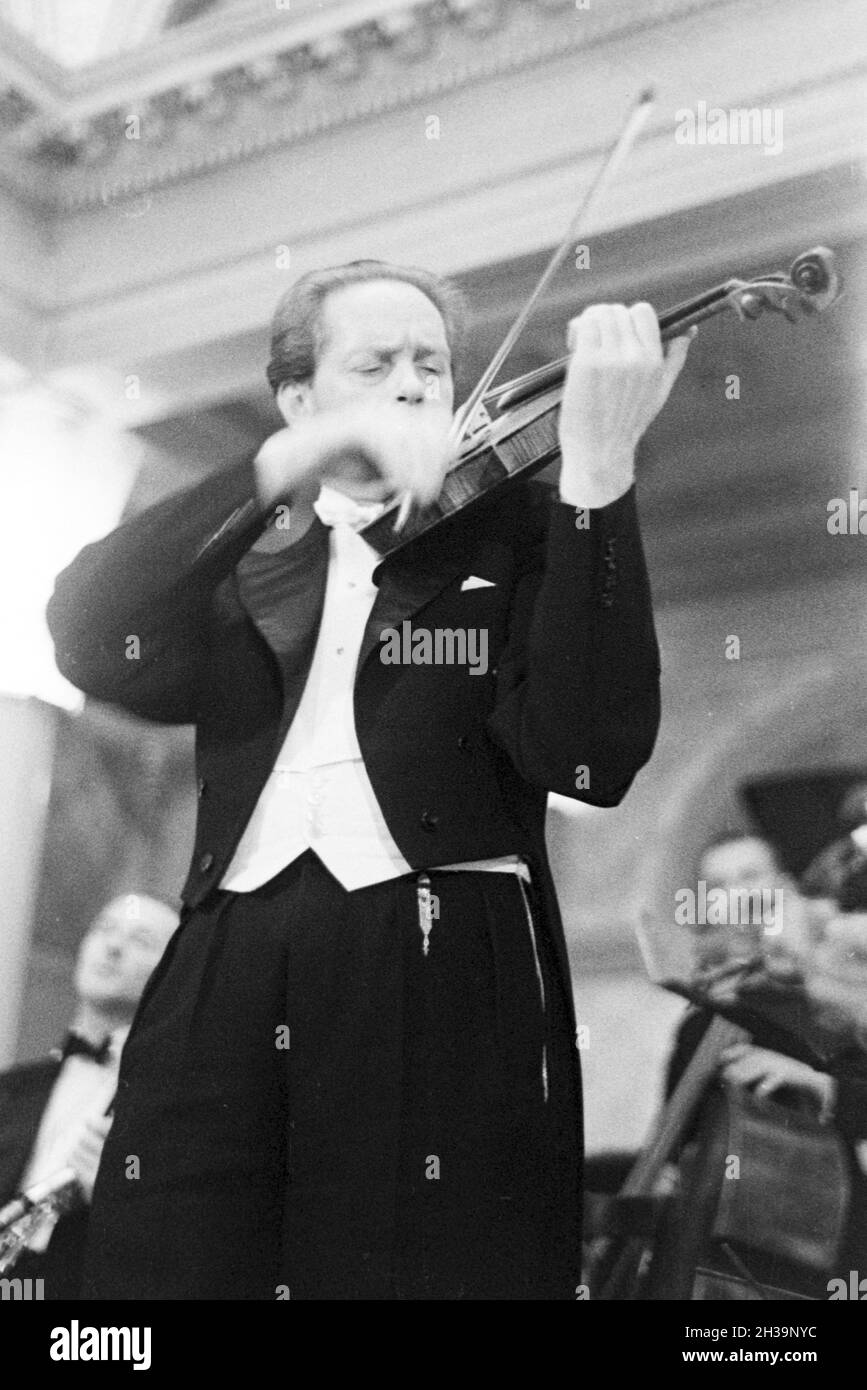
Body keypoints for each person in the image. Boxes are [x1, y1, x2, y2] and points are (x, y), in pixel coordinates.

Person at [47, 258, 692, 1301]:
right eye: (375, 363)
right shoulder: (246, 556)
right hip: (224, 950)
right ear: (299, 395)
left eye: (431, 365)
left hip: (438, 950)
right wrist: (281, 465)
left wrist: (599, 471)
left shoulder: (521, 528)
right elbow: (84, 634)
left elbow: (591, 752)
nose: (411, 384)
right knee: (163, 1260)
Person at [0, 893, 178, 1299]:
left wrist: (119, 1196)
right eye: (104, 928)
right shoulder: (12, 1089)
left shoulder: (170, 1111)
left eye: (142, 941)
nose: (112, 947)